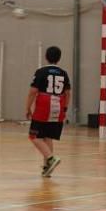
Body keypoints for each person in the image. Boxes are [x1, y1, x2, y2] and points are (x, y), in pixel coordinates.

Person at [26, 46, 69, 177]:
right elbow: (68, 93)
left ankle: (51, 158)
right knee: (47, 137)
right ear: (59, 58)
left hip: (44, 104)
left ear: (46, 56)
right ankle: (47, 168)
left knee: (33, 136)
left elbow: (33, 91)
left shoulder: (41, 71)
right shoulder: (63, 73)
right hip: (59, 104)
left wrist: (27, 107)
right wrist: (65, 108)